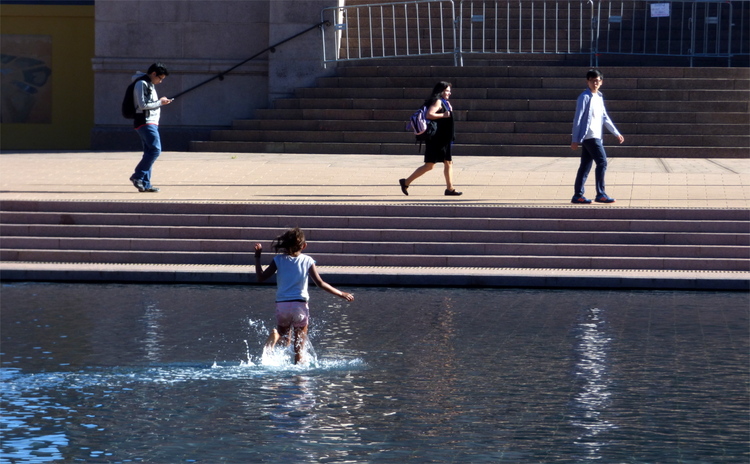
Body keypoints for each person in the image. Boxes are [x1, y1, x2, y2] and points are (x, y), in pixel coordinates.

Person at [254, 227, 354, 364]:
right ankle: (299, 381)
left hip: (282, 306)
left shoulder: (278, 260)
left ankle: (275, 335)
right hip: (299, 306)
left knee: (284, 342)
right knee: (299, 350)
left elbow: (261, 277)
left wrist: (257, 256)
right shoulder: (307, 261)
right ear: (304, 245)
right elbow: (320, 283)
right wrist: (341, 293)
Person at [570, 69, 624, 204]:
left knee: (585, 165)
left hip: (596, 136)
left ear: (601, 82)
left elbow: (605, 117)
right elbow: (578, 119)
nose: (595, 83)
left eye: (597, 80)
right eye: (592, 80)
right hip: (589, 136)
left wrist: (616, 133)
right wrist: (575, 139)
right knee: (602, 162)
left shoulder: (599, 97)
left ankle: (578, 195)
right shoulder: (584, 97)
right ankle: (600, 194)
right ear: (587, 82)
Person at [399, 81, 462, 196]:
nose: (449, 93)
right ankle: (449, 189)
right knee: (434, 164)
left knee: (438, 164)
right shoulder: (438, 101)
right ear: (441, 91)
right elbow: (429, 114)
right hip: (438, 139)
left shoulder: (443, 102)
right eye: (447, 91)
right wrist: (444, 115)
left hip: (441, 138)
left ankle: (449, 188)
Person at [129, 62, 173, 193]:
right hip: (145, 122)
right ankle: (137, 176)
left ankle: (145, 183)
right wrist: (160, 102)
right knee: (155, 150)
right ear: (154, 74)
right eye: (160, 78)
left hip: (150, 122)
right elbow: (142, 105)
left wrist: (160, 101)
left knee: (149, 152)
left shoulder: (149, 84)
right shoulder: (142, 83)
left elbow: (149, 103)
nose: (160, 82)